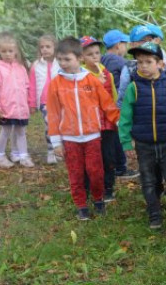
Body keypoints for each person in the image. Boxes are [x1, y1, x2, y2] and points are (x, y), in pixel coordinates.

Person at [47, 37, 120, 220]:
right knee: (76, 173)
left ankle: (98, 199)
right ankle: (81, 205)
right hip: (70, 139)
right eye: (60, 59)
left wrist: (120, 123)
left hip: (92, 137)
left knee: (95, 172)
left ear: (79, 58)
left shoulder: (91, 81)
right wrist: (56, 142)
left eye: (67, 59)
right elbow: (53, 113)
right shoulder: (56, 84)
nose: (63, 63)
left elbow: (107, 104)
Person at [117, 42, 166, 229]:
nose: (143, 66)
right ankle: (154, 211)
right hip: (144, 144)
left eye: (148, 61)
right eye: (139, 62)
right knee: (148, 181)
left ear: (160, 64)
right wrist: (126, 143)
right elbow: (125, 117)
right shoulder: (133, 88)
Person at [80, 36, 122, 202]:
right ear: (82, 57)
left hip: (107, 123)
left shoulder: (107, 73)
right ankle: (89, 187)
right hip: (90, 124)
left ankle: (108, 187)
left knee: (108, 156)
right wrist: (94, 84)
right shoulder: (81, 75)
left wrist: (116, 117)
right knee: (91, 157)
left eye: (97, 53)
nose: (94, 57)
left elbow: (113, 95)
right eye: (90, 54)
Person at [0, 31, 34, 168]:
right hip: (6, 108)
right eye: (4, 51)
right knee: (5, 131)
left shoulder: (21, 68)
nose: (7, 54)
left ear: (16, 51)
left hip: (20, 109)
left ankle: (23, 156)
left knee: (21, 131)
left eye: (10, 51)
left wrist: (29, 103)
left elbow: (27, 87)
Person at [100, 29, 137, 181]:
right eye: (125, 43)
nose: (126, 46)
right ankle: (121, 167)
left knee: (110, 137)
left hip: (104, 105)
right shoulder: (119, 61)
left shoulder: (102, 60)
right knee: (118, 136)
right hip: (116, 105)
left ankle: (115, 166)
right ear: (117, 46)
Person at [29, 34, 61, 164]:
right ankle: (51, 151)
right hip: (45, 102)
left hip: (60, 101)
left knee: (62, 125)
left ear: (55, 47)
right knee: (50, 126)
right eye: (42, 47)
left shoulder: (60, 63)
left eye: (48, 46)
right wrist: (32, 104)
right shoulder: (36, 65)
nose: (45, 49)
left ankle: (61, 149)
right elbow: (32, 85)